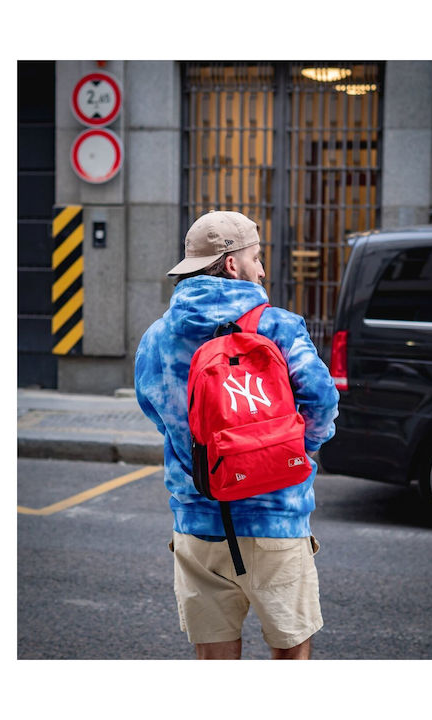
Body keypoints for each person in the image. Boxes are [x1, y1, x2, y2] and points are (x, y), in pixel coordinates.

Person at [134, 210, 339, 660]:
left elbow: (156, 410)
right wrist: (295, 451)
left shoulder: (156, 337)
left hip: (197, 524)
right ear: (232, 264)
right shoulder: (279, 326)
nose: (261, 269)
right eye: (256, 257)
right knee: (290, 656)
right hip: (276, 520)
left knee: (215, 664)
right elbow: (322, 400)